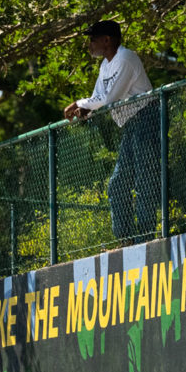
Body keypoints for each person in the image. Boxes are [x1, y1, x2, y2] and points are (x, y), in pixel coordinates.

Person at [64, 20, 160, 242]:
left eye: (93, 39)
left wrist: (80, 103)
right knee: (118, 184)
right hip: (131, 123)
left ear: (107, 40)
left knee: (144, 178)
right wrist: (85, 110)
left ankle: (145, 236)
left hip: (147, 117)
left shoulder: (126, 58)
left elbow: (108, 98)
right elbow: (99, 97)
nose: (90, 44)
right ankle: (126, 239)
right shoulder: (105, 65)